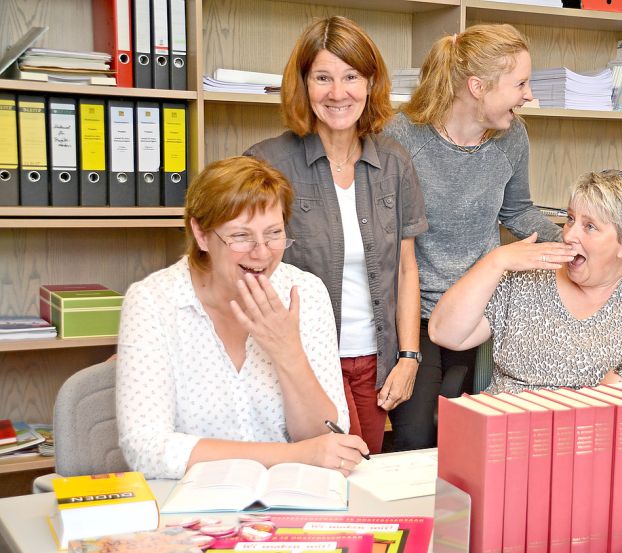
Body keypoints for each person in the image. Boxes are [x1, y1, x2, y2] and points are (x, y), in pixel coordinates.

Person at [117, 156, 368, 480]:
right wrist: (292, 456)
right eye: (241, 236)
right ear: (202, 234)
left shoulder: (304, 291)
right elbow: (145, 448)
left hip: (292, 498)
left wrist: (288, 353)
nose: (261, 253)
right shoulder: (152, 301)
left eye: (274, 233)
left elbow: (326, 436)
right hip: (190, 507)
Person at [246, 16, 428, 454]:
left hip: (374, 359)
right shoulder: (268, 163)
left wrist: (408, 356)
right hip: (301, 358)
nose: (338, 92)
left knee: (364, 478)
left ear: (370, 83)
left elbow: (406, 269)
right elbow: (245, 269)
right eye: (322, 77)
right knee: (322, 475)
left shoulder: (395, 162)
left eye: (351, 77)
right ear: (304, 85)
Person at [383, 24, 563, 449]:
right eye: (520, 83)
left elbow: (518, 211)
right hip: (414, 314)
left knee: (461, 435)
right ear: (477, 86)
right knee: (416, 436)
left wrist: (571, 244)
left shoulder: (513, 136)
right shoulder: (402, 136)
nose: (528, 95)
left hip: (476, 311)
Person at [429, 169, 622, 393]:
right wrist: (496, 261)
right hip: (511, 439)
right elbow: (445, 333)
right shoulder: (526, 278)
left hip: (600, 445)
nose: (569, 234)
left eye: (590, 227)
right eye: (571, 219)